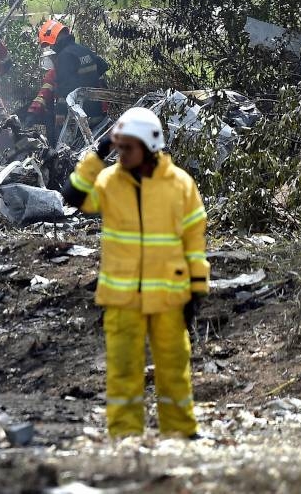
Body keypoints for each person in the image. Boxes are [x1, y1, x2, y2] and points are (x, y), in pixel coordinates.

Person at [61, 107, 210, 438]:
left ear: (149, 146)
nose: (121, 153)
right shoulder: (109, 182)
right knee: (123, 371)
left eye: (128, 147)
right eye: (119, 146)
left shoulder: (180, 185)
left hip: (170, 296)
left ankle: (181, 433)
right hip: (122, 298)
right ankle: (125, 436)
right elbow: (72, 196)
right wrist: (99, 152)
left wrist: (197, 291)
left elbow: (194, 241)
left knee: (173, 369)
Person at [38, 19, 108, 131]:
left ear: (55, 38)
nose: (51, 48)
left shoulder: (64, 56)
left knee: (58, 139)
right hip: (98, 112)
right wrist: (88, 79)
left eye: (50, 44)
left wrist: (59, 116)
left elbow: (64, 91)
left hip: (82, 118)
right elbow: (103, 65)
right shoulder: (82, 49)